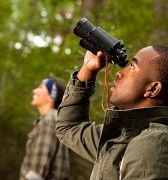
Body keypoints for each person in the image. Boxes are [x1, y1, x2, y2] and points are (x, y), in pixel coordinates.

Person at [56, 45, 168, 180]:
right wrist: (88, 69)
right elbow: (68, 128)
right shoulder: (120, 136)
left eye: (132, 67)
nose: (119, 73)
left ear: (153, 88)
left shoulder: (152, 143)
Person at [19, 78, 69, 180]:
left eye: (41, 87)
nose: (34, 91)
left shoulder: (49, 120)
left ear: (51, 96)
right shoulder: (55, 119)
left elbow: (38, 172)